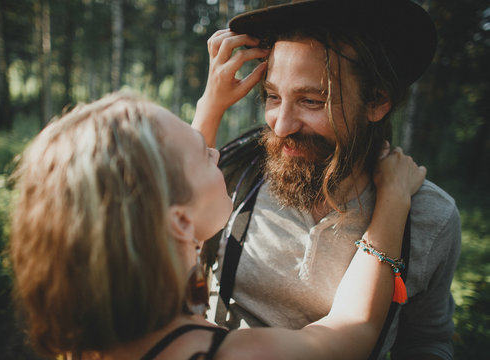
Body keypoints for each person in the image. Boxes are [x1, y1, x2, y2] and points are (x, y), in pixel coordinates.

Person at [10, 91, 425, 360]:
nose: (216, 153)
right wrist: (393, 201)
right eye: (201, 151)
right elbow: (351, 333)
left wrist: (210, 102)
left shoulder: (94, 338)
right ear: (179, 220)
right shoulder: (228, 355)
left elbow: (162, 195)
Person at [192, 0, 462, 359]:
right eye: (273, 96)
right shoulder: (233, 172)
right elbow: (164, 225)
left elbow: (429, 341)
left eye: (311, 101)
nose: (281, 125)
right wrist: (209, 106)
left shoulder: (430, 217)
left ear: (377, 101)